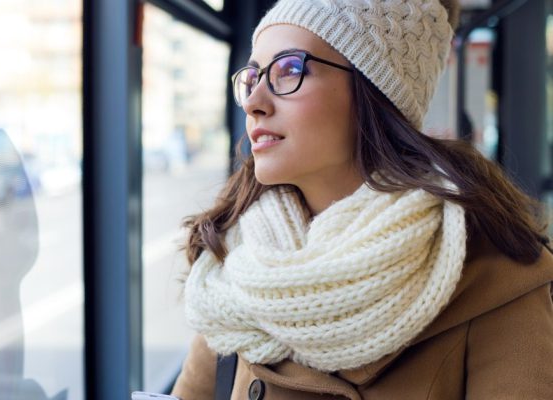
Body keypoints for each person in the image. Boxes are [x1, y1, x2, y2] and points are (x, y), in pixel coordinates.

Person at [171, 0, 553, 398]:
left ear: (374, 90)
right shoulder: (233, 265)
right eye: (253, 77)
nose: (254, 102)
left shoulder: (492, 275)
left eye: (290, 70)